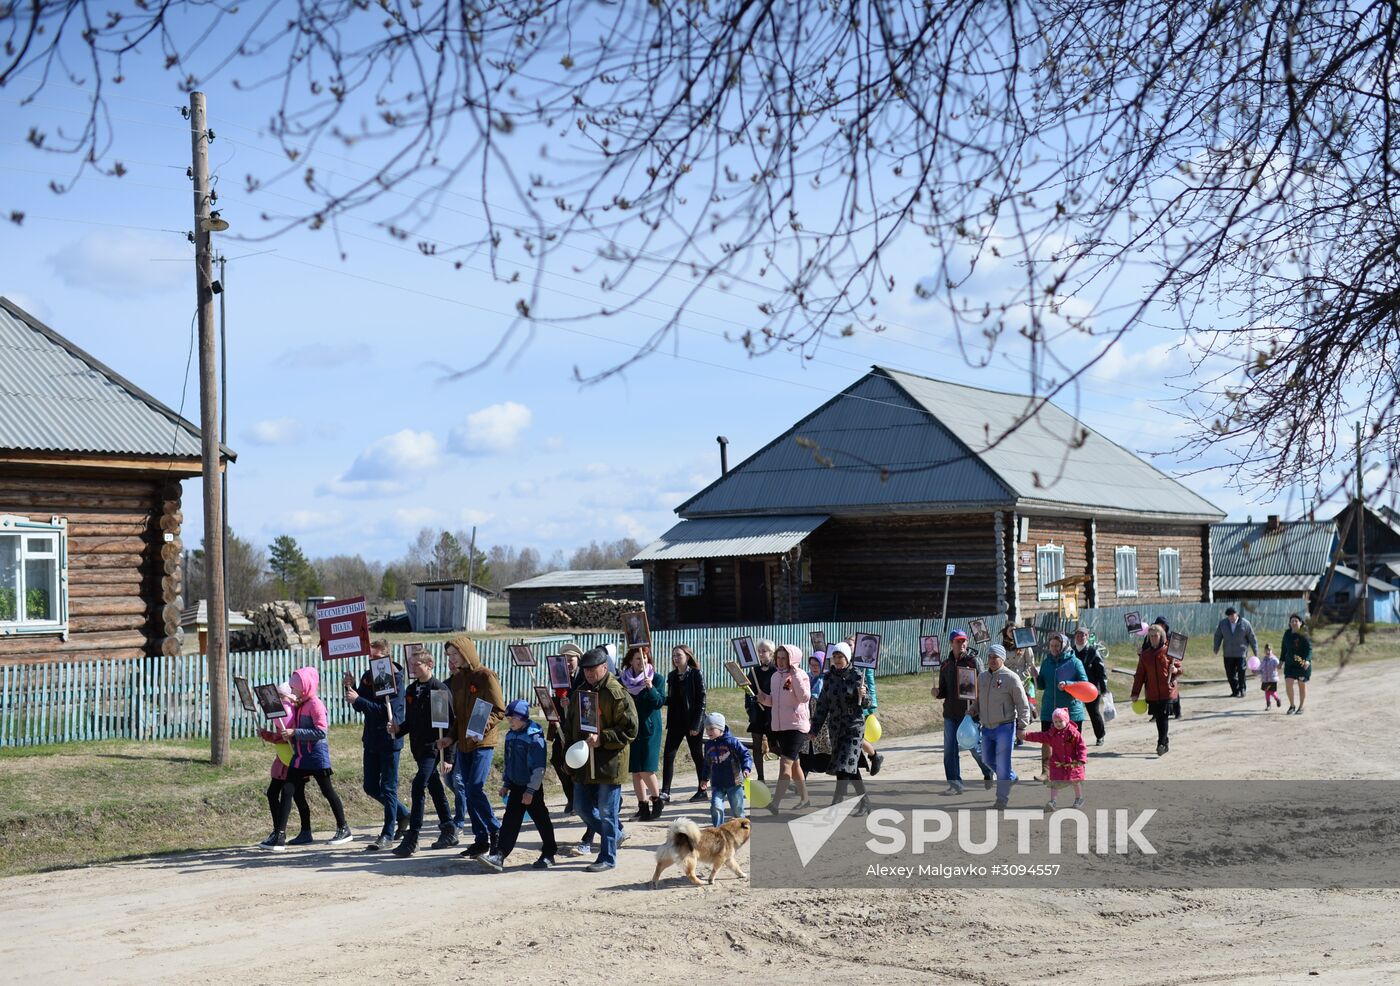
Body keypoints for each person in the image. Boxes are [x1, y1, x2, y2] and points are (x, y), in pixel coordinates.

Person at [563, 646, 639, 873]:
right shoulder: (580, 693)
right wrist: (569, 755)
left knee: (607, 812)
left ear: (604, 668)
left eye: (593, 670)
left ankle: (607, 857)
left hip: (609, 762)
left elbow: (630, 729)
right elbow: (572, 727)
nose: (588, 674)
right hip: (583, 761)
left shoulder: (617, 693)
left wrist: (602, 738)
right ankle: (615, 835)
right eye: (585, 670)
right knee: (581, 807)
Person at [267, 666, 351, 849]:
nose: (293, 691)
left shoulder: (315, 704)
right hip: (301, 757)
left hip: (316, 756)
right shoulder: (302, 703)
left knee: (328, 791)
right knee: (288, 790)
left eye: (296, 688)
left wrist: (295, 732)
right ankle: (280, 835)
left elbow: (321, 731)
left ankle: (344, 828)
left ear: (306, 687)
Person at [438, 636, 505, 860]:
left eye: (454, 654)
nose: (452, 659)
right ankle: (480, 840)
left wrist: (481, 727)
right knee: (467, 789)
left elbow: (499, 710)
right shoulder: (457, 680)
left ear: (465, 652)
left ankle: (496, 832)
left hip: (483, 743)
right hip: (464, 744)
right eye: (449, 656)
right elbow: (459, 717)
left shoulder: (486, 676)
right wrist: (450, 738)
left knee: (475, 788)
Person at [390, 649, 458, 856]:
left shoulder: (439, 690)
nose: (413, 667)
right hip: (418, 748)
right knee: (434, 786)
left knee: (419, 784)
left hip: (434, 748)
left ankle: (413, 836)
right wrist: (398, 729)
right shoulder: (411, 690)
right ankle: (448, 828)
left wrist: (448, 757)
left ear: (429, 665)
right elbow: (411, 722)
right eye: (411, 664)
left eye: (417, 664)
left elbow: (450, 726)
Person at [344, 641, 409, 851]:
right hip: (371, 739)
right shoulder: (368, 675)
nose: (372, 661)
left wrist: (359, 700)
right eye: (370, 657)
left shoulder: (395, 678)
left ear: (387, 657)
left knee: (388, 788)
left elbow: (384, 711)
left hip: (389, 740)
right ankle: (403, 813)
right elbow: (360, 706)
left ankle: (387, 834)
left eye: (377, 657)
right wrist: (351, 688)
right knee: (370, 787)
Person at [479, 699, 557, 872]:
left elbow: (539, 768)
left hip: (532, 788)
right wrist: (506, 783)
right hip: (515, 786)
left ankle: (549, 853)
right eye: (508, 718)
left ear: (522, 718)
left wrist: (530, 791)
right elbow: (509, 762)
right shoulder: (511, 735)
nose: (510, 721)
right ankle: (500, 855)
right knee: (510, 822)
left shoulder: (534, 737)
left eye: (513, 718)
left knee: (541, 820)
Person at [810, 642, 871, 813]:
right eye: (835, 657)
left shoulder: (858, 675)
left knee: (845, 764)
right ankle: (865, 802)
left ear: (847, 658)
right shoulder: (828, 678)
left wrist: (863, 696)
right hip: (836, 727)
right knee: (847, 766)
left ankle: (836, 803)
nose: (837, 660)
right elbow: (822, 705)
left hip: (853, 726)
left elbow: (867, 703)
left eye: (840, 657)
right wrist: (814, 729)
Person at [934, 630, 993, 794]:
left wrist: (976, 707)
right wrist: (937, 693)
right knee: (949, 750)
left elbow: (983, 686)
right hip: (950, 714)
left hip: (970, 713)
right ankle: (955, 785)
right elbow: (943, 691)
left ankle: (988, 770)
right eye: (958, 641)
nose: (962, 644)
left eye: (964, 641)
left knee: (975, 748)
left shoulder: (974, 661)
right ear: (951, 643)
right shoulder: (945, 664)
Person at [975, 644, 1031, 809]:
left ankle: (1001, 799)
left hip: (1005, 727)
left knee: (1003, 763)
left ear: (1003, 659)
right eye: (990, 657)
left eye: (995, 657)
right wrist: (973, 709)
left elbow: (1022, 703)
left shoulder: (1011, 677)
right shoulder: (982, 677)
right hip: (986, 727)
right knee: (987, 759)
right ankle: (1011, 777)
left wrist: (1022, 726)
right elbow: (979, 700)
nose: (992, 660)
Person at [257, 683, 311, 849]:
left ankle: (302, 831)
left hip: (295, 759)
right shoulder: (286, 711)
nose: (279, 700)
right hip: (282, 758)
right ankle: (278, 830)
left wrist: (268, 735)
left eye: (281, 697)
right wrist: (267, 734)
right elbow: (281, 735)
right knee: (273, 793)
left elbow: (287, 736)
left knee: (297, 795)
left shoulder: (295, 712)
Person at [762, 644, 812, 814]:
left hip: (797, 727)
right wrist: (763, 699)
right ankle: (805, 799)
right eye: (779, 657)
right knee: (795, 764)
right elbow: (773, 701)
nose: (781, 661)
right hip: (780, 727)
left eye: (785, 658)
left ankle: (775, 803)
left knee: (785, 765)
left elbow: (804, 697)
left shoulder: (801, 675)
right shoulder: (775, 677)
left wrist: (795, 674)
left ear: (793, 659)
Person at [621, 644, 666, 821]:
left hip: (649, 729)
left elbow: (659, 702)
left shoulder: (656, 679)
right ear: (631, 661)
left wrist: (650, 688)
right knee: (636, 771)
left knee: (647, 768)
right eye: (639, 658)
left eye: (645, 658)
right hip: (631, 729)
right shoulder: (623, 681)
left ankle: (657, 801)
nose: (642, 661)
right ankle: (642, 807)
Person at [1035, 632, 1088, 781]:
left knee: (1072, 744)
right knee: (1046, 740)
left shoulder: (1075, 662)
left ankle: (1076, 773)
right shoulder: (1046, 663)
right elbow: (1041, 686)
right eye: (1051, 646)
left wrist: (1068, 685)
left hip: (1071, 711)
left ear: (1064, 645)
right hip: (1049, 710)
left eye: (1057, 646)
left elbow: (1084, 684)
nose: (1054, 649)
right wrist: (1035, 677)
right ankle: (1046, 772)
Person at [660, 644, 709, 806]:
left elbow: (702, 700)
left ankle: (702, 790)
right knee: (668, 755)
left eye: (679, 655)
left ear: (687, 656)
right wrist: (655, 695)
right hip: (675, 722)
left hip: (692, 722)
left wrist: (697, 724)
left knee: (697, 756)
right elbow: (672, 699)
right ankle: (665, 792)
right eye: (674, 655)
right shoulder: (672, 676)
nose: (675, 658)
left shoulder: (696, 674)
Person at [1023, 708, 1087, 809]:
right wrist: (1026, 736)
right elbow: (1040, 736)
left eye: (1060, 721)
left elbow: (1081, 746)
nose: (1058, 724)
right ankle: (1053, 801)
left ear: (1066, 720)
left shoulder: (1073, 733)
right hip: (1057, 763)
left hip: (1073, 763)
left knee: (1075, 781)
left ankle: (1079, 798)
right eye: (1056, 721)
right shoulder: (1051, 734)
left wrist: (1081, 759)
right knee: (1054, 783)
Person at [1131, 623, 1179, 756]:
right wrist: (1135, 693)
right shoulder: (1145, 655)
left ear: (1161, 636)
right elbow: (1140, 675)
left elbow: (1180, 669)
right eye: (1150, 636)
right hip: (1152, 692)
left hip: (1167, 691)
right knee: (1159, 718)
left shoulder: (1170, 651)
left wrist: (1175, 670)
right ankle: (1165, 740)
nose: (1153, 638)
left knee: (1163, 717)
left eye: (1155, 635)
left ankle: (1161, 744)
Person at [547, 644, 583, 814]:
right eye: (565, 660)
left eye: (571, 660)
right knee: (557, 759)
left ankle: (581, 799)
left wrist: (572, 702)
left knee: (575, 763)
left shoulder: (583, 677)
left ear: (578, 660)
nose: (568, 663)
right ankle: (571, 797)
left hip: (578, 728)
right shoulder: (558, 676)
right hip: (561, 726)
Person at [701, 712, 754, 826]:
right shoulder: (708, 745)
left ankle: (743, 830)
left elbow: (746, 755)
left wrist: (746, 768)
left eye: (711, 729)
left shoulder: (732, 742)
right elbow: (707, 763)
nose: (708, 732)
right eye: (706, 729)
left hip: (734, 783)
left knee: (737, 810)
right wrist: (704, 778)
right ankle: (718, 830)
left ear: (720, 728)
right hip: (717, 783)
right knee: (716, 806)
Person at [442, 644, 471, 833]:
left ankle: (459, 820)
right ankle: (468, 802)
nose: (452, 662)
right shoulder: (445, 685)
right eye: (449, 658)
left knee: (458, 780)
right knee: (449, 781)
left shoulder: (470, 684)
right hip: (449, 737)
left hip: (465, 739)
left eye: (455, 658)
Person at [745, 639, 778, 781]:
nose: (761, 654)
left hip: (771, 713)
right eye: (759, 651)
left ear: (771, 653)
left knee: (775, 746)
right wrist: (749, 706)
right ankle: (761, 777)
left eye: (764, 651)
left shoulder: (776, 670)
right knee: (756, 746)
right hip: (757, 713)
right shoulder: (753, 670)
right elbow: (748, 690)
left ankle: (792, 770)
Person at [1071, 627, 1109, 746]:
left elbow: (1101, 671)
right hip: (1075, 688)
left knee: (1093, 712)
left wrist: (1103, 688)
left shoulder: (1093, 651)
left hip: (1091, 688)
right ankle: (1075, 738)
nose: (1080, 637)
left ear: (1087, 637)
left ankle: (1100, 735)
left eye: (1083, 635)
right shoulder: (1071, 652)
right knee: (1074, 713)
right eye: (1078, 635)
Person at [1214, 606, 1259, 698]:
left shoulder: (1245, 624)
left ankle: (1242, 689)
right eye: (1229, 616)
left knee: (1241, 672)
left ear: (1237, 614)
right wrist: (1216, 647)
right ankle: (1235, 690)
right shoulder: (1223, 624)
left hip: (1241, 653)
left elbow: (1252, 638)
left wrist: (1255, 651)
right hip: (1228, 653)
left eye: (1232, 615)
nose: (1231, 617)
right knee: (1230, 674)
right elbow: (1218, 635)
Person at [801, 652, 831, 777]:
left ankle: (843, 778)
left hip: (823, 723)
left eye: (817, 665)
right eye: (812, 665)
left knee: (827, 749)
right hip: (807, 719)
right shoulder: (806, 678)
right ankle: (801, 781)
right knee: (805, 750)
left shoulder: (827, 680)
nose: (814, 668)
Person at [1282, 613, 1312, 714]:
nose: (1294, 623)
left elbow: (1309, 649)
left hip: (1302, 663)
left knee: (1301, 684)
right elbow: (1284, 648)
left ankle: (1301, 706)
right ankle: (1292, 705)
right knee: (1288, 683)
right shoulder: (1287, 634)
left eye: (1296, 621)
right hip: (1290, 663)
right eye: (1292, 621)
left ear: (1300, 623)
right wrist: (1281, 661)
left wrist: (1307, 660)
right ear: (1290, 623)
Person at [1259, 643, 1283, 710]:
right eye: (1266, 650)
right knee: (1267, 692)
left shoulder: (1274, 659)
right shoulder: (1264, 660)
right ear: (1264, 651)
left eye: (1269, 650)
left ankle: (1277, 699)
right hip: (1265, 679)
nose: (1268, 651)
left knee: (1271, 692)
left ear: (1272, 650)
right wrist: (1256, 671)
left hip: (1272, 679)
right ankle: (1268, 705)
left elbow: (1279, 666)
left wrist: (1279, 666)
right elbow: (1261, 669)